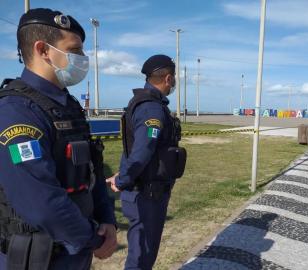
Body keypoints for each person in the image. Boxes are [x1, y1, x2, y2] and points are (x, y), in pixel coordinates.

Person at [0, 8, 116, 269]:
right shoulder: (16, 112)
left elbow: (92, 171)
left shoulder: (69, 106)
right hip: (37, 257)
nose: (82, 59)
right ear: (43, 50)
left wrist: (107, 220)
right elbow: (40, 201)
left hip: (77, 249)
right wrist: (92, 241)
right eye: (74, 51)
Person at [106, 55, 187, 270]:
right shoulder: (152, 109)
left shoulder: (149, 104)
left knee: (143, 253)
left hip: (148, 191)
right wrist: (123, 179)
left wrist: (121, 174)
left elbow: (132, 149)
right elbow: (142, 151)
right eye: (174, 78)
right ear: (168, 78)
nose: (174, 82)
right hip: (146, 195)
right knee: (141, 257)